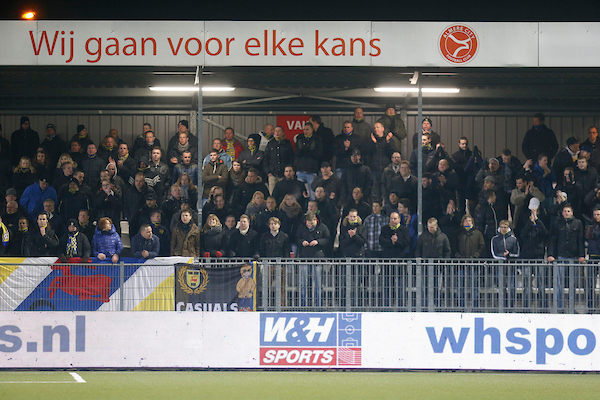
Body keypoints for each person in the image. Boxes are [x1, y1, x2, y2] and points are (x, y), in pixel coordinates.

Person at [547, 204, 585, 309]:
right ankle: (560, 307)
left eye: (568, 211)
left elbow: (580, 239)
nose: (566, 213)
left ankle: (571, 307)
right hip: (560, 256)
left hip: (573, 256)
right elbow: (553, 239)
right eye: (564, 211)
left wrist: (581, 255)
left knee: (573, 284)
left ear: (572, 212)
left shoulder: (578, 223)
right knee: (559, 283)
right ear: (562, 212)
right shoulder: (557, 222)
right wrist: (551, 254)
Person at [296, 212, 330, 307]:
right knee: (303, 283)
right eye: (309, 223)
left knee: (318, 283)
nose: (310, 225)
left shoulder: (323, 227)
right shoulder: (301, 228)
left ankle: (319, 305)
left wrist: (318, 241)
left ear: (316, 220)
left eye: (312, 223)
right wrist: (302, 242)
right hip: (304, 258)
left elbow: (327, 239)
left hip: (318, 258)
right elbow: (296, 238)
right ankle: (303, 305)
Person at [364, 122, 396, 201]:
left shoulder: (389, 140)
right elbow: (368, 153)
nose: (376, 129)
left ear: (383, 129)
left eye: (377, 127)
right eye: (374, 128)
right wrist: (374, 143)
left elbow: (392, 153)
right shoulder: (371, 141)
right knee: (375, 193)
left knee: (387, 190)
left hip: (386, 169)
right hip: (374, 169)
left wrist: (387, 142)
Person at [295, 122, 323, 199]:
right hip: (300, 169)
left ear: (312, 130)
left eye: (307, 129)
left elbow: (318, 153)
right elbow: (297, 153)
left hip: (312, 170)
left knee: (312, 193)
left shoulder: (317, 139)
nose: (305, 131)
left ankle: (312, 206)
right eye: (304, 129)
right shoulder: (300, 138)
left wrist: (305, 149)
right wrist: (309, 149)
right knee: (298, 193)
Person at [263, 125, 294, 193]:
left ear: (283, 133)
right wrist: (267, 172)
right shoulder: (270, 144)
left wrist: (288, 171)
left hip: (283, 175)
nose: (277, 132)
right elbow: (265, 158)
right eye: (276, 131)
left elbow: (291, 158)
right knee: (272, 194)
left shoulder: (287, 144)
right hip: (272, 174)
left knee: (284, 194)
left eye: (279, 131)